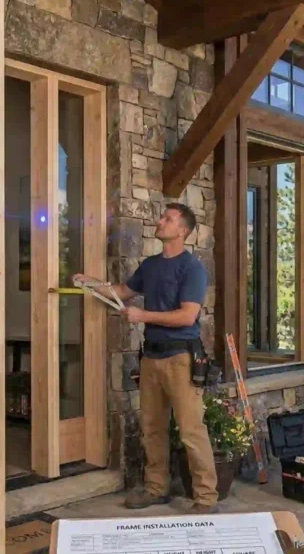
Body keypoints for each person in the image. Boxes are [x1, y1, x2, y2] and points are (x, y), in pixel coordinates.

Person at [73, 203, 218, 514]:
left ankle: (205, 499)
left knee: (191, 430)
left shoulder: (192, 269)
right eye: (162, 217)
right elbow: (123, 291)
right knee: (152, 427)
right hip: (151, 357)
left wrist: (143, 315)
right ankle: (156, 488)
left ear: (183, 231)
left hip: (182, 358)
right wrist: (92, 283)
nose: (160, 221)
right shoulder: (151, 266)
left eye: (168, 219)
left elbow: (187, 315)